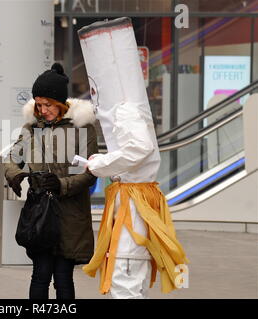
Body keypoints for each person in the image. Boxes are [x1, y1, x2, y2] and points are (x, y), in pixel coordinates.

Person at [78, 17, 188, 298]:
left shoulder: (124, 109)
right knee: (130, 274)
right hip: (135, 201)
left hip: (134, 205)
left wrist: (99, 164)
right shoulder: (127, 106)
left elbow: (139, 148)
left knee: (125, 274)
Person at [4, 63, 98, 299]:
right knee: (40, 274)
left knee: (63, 277)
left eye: (48, 104)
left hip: (70, 214)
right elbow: (12, 158)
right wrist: (15, 175)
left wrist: (61, 184)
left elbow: (89, 172)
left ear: (60, 103)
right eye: (38, 104)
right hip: (40, 212)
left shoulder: (82, 129)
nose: (42, 109)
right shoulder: (31, 129)